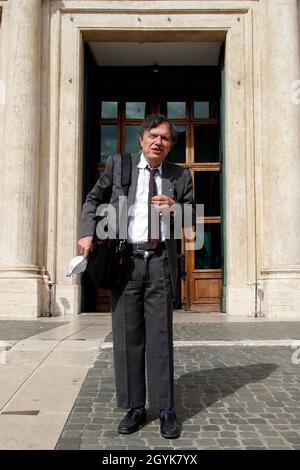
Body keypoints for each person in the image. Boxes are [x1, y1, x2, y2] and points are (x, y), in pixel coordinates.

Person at [78, 114, 194, 439]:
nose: (159, 142)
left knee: (160, 336)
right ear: (141, 139)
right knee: (127, 336)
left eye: (166, 138)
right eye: (153, 136)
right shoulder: (119, 166)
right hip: (125, 262)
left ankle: (165, 406)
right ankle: (135, 406)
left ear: (171, 145)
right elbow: (93, 199)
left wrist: (175, 209)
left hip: (159, 262)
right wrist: (88, 232)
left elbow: (190, 221)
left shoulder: (180, 176)